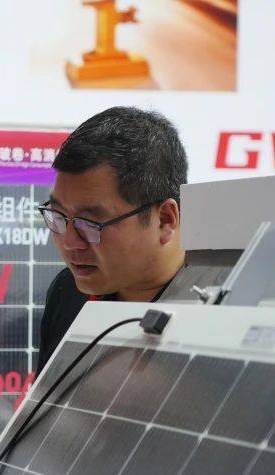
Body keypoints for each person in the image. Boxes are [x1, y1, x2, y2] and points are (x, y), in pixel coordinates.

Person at [36, 106, 187, 370]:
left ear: (165, 220)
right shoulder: (69, 292)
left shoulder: (222, 310)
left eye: (90, 223)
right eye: (58, 215)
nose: (70, 242)